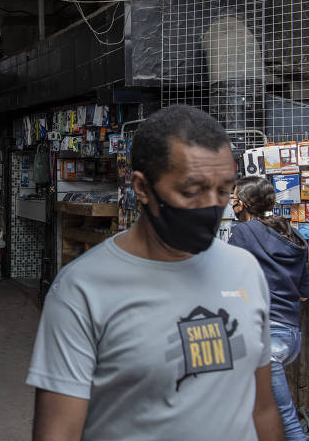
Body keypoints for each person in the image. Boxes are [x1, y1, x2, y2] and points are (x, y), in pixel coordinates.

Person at [27, 106, 282, 440]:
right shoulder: (81, 290)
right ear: (142, 188)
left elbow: (262, 409)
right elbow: (58, 432)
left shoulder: (246, 270)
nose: (211, 205)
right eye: (192, 191)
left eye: (223, 191)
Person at [229, 176, 309, 440]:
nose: (231, 202)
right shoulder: (294, 235)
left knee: (285, 416)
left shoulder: (243, 234)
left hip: (263, 339)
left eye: (234, 197)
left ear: (241, 204)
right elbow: (304, 295)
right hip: (290, 337)